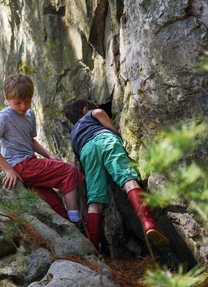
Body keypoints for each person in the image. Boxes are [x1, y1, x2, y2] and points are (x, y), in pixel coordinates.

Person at [62, 98, 169, 250]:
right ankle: (148, 223)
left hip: (87, 153)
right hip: (104, 140)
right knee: (127, 178)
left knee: (95, 200)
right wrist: (114, 130)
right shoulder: (91, 115)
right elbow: (98, 112)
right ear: (86, 110)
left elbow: (79, 159)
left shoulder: (74, 135)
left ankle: (93, 247)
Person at [0, 74, 85, 226]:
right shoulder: (4, 117)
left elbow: (30, 141)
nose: (23, 106)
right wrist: (9, 170)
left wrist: (49, 155)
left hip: (31, 165)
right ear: (7, 98)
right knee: (69, 171)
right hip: (21, 165)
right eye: (17, 102)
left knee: (55, 204)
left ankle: (70, 228)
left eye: (27, 101)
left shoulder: (29, 114)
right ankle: (77, 220)